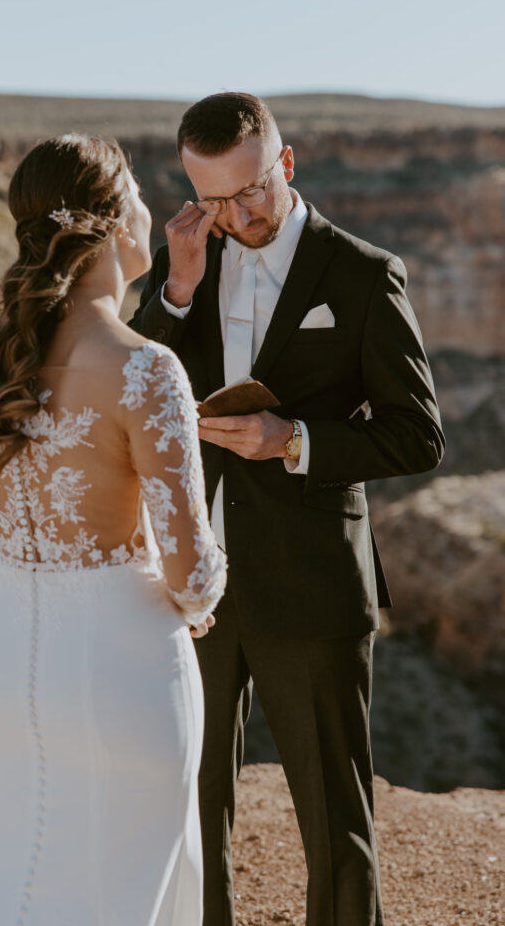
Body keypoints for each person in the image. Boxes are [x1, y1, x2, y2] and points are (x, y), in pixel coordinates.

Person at [129, 92, 445, 926]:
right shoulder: (185, 261)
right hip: (193, 587)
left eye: (253, 192)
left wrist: (294, 438)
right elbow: (135, 381)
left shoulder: (362, 273)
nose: (237, 215)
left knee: (334, 825)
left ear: (288, 164)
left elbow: (417, 438)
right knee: (189, 810)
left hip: (311, 587)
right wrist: (178, 292)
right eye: (215, 200)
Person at [0, 134, 227, 926]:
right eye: (139, 193)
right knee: (123, 890)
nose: (150, 208)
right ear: (114, 223)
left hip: (7, 658)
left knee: (21, 870)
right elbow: (194, 579)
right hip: (123, 668)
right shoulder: (146, 368)